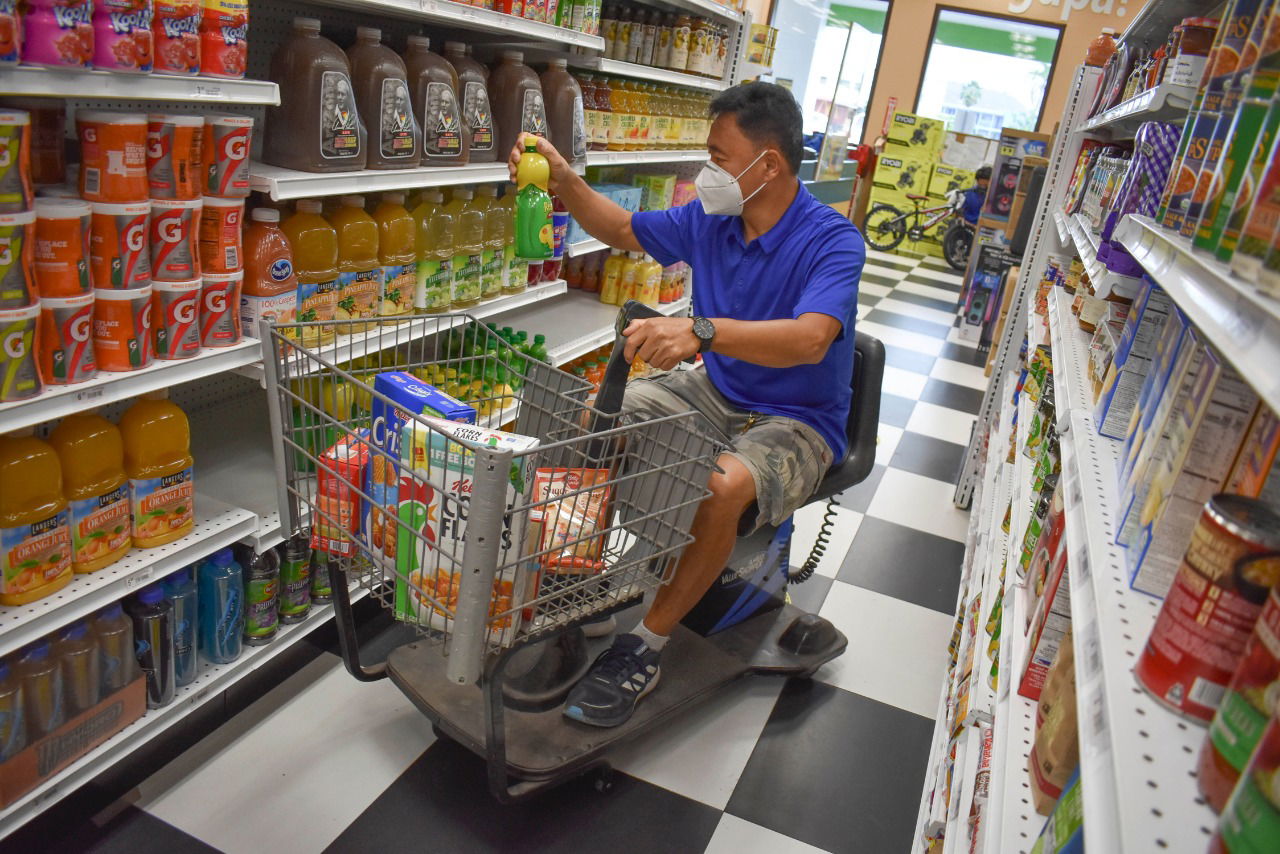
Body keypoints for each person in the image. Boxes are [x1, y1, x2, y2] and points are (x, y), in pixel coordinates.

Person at [508, 82, 865, 728]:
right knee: (594, 416)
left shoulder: (832, 241)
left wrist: (702, 333)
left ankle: (643, 645)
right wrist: (563, 178)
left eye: (718, 155)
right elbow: (617, 226)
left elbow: (813, 338)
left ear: (770, 166)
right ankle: (582, 585)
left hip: (798, 421)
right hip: (718, 390)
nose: (708, 171)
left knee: (720, 486)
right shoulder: (712, 218)